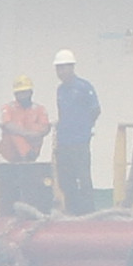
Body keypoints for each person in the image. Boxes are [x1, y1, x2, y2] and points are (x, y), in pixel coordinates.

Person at [51, 49, 102, 215]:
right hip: (64, 142)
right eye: (58, 68)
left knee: (83, 178)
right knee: (66, 180)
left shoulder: (84, 87)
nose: (61, 72)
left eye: (64, 67)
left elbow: (95, 109)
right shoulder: (60, 90)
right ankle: (73, 211)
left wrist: (84, 128)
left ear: (72, 67)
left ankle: (88, 212)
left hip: (80, 141)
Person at [0, 77, 55, 212]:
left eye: (24, 92)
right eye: (19, 93)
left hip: (33, 149)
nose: (22, 96)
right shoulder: (8, 108)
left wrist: (34, 134)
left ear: (31, 92)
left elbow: (45, 127)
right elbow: (8, 125)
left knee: (32, 129)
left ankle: (27, 155)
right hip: (10, 150)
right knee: (14, 130)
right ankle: (26, 155)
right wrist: (26, 134)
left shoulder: (40, 109)